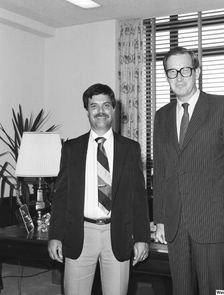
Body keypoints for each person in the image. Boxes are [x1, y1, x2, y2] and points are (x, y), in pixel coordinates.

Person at [153, 46, 224, 295]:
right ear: (166, 76)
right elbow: (161, 172)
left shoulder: (223, 107)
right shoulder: (161, 116)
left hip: (212, 220)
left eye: (185, 70)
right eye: (171, 72)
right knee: (181, 290)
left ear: (196, 71)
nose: (178, 77)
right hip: (175, 224)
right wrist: (161, 220)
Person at [48, 83, 150, 295]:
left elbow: (138, 198)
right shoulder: (71, 148)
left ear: (114, 109)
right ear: (87, 111)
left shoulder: (130, 149)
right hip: (80, 233)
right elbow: (61, 197)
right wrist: (55, 235)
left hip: (118, 234)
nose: (100, 111)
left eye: (105, 105)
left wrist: (141, 238)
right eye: (94, 106)